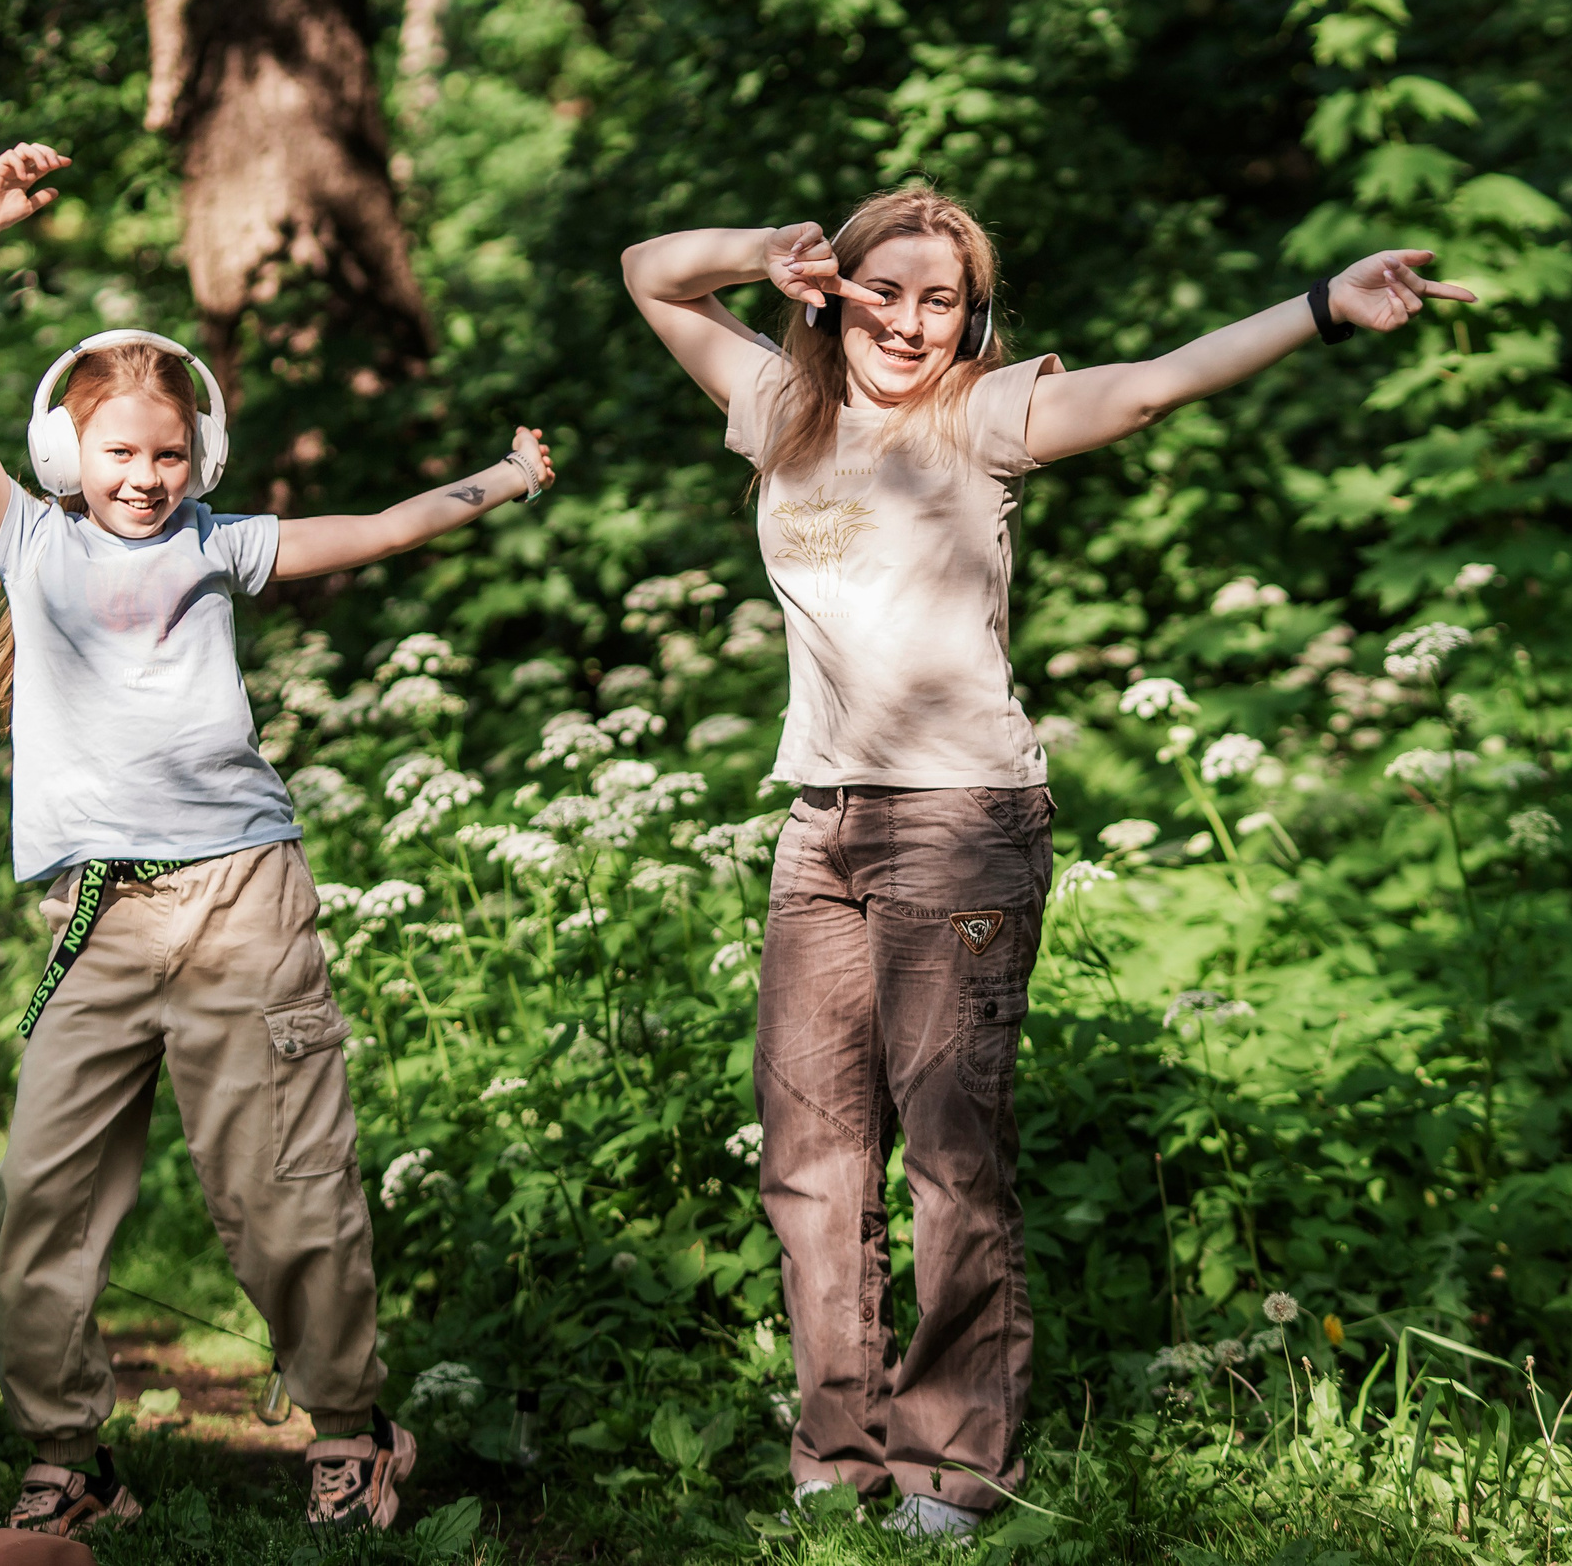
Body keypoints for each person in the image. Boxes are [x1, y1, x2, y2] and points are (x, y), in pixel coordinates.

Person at [621, 189, 1472, 1540]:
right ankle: (838, 1456)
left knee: (951, 1156)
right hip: (818, 826)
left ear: (975, 320)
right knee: (811, 1161)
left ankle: (955, 1471)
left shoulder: (982, 415)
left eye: (939, 300)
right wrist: (764, 254)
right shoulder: (779, 409)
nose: (908, 321)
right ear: (834, 290)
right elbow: (651, 274)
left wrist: (1321, 308)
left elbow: (1149, 389)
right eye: (883, 291)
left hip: (963, 822)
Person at [0, 142, 555, 1536]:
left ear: (200, 457)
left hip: (240, 901)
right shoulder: (27, 541)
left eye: (166, 453)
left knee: (280, 1193)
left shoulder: (219, 545)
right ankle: (72, 1460)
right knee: (43, 1194)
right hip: (97, 915)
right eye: (117, 452)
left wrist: (503, 480)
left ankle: (349, 1428)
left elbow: (382, 529)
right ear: (62, 453)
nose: (142, 475)